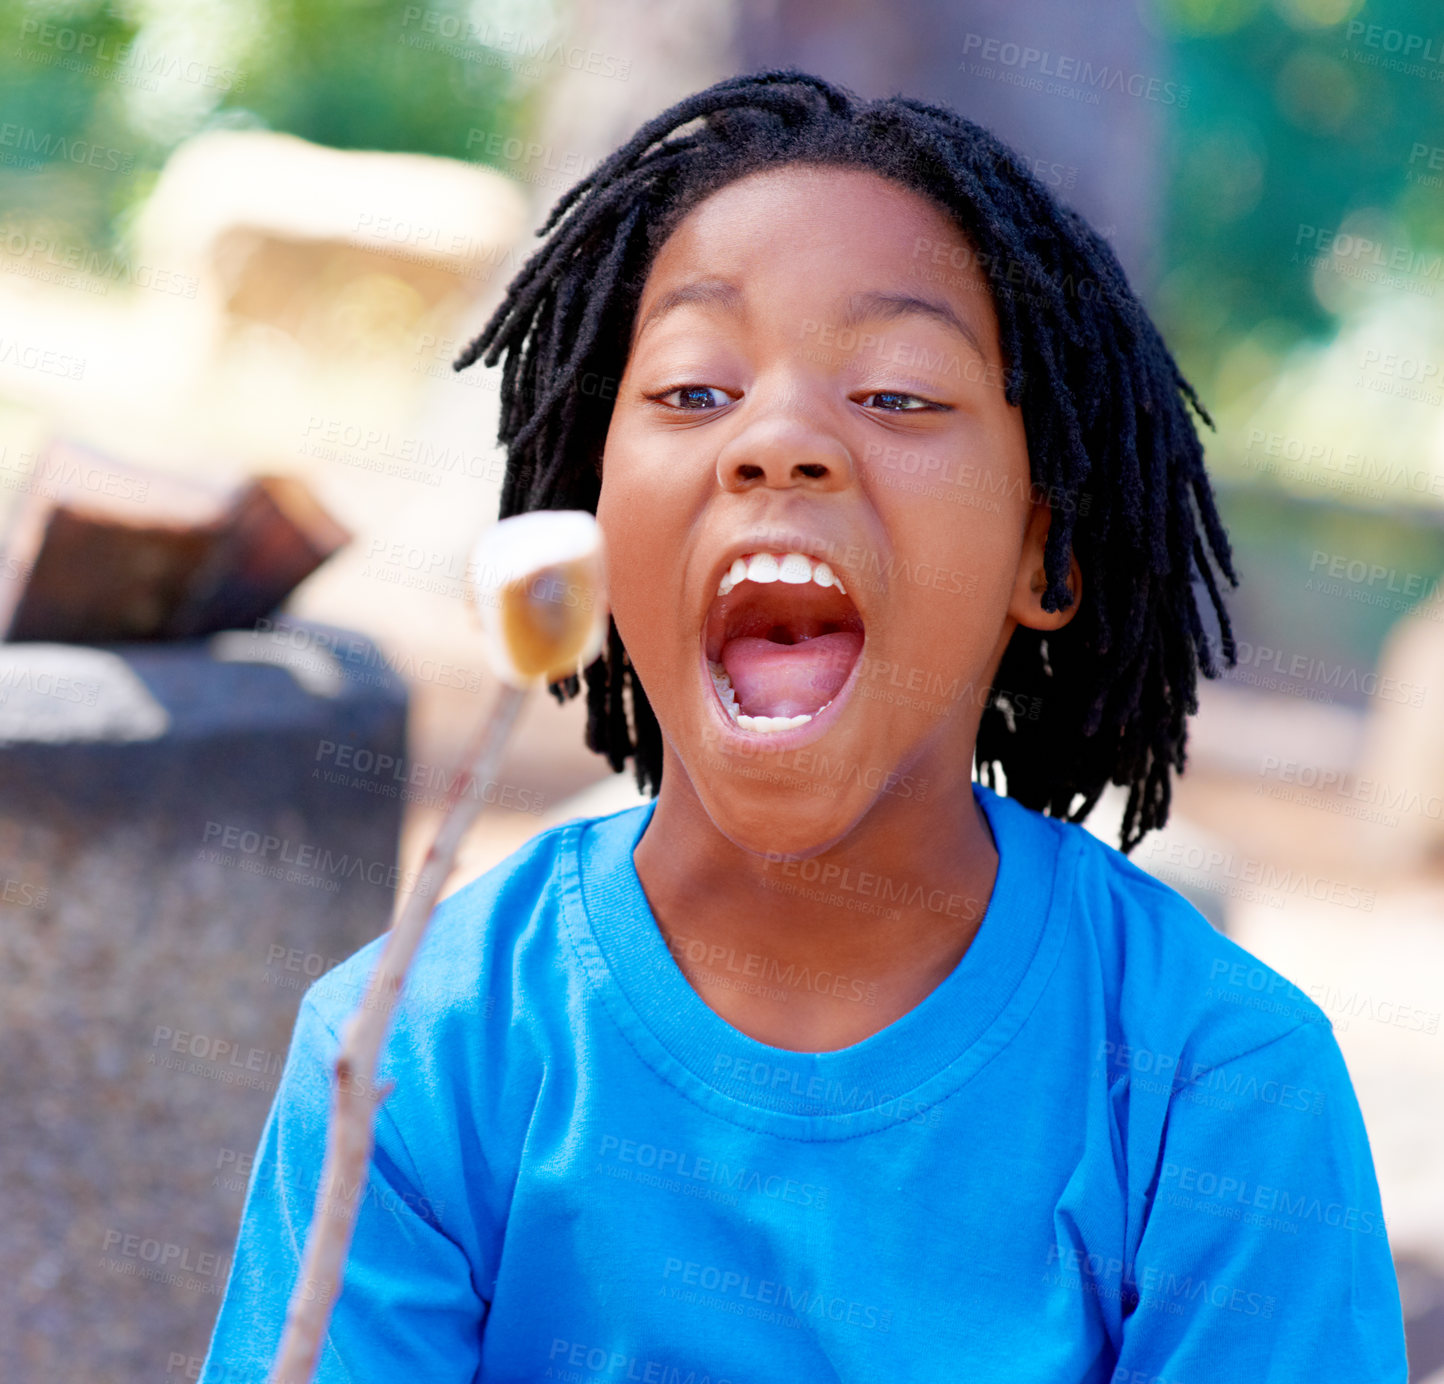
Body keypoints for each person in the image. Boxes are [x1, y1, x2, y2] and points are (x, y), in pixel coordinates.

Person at [200, 70, 1407, 1381]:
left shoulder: (1221, 1088)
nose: (779, 442)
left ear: (1043, 556)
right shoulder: (415, 1053)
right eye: (694, 392)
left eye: (896, 395)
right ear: (590, 523)